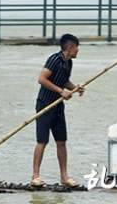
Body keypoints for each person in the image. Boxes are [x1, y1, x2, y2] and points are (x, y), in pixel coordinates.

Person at [31, 33, 84, 187]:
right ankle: (35, 177)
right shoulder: (54, 59)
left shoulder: (69, 63)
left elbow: (63, 80)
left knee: (61, 141)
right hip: (45, 104)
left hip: (58, 106)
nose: (78, 50)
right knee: (42, 141)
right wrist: (61, 91)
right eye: (77, 47)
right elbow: (42, 79)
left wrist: (75, 88)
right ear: (70, 47)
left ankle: (64, 177)